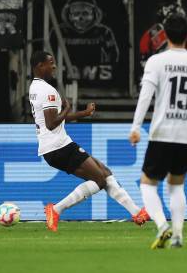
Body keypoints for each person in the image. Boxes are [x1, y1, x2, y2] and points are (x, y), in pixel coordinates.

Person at [29, 51, 149, 231]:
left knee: (104, 172)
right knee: (99, 180)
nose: (54, 66)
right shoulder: (47, 91)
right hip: (58, 146)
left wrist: (83, 114)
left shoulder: (35, 87)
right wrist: (68, 107)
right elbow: (52, 123)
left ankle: (136, 212)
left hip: (55, 146)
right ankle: (55, 209)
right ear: (39, 66)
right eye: (50, 63)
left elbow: (55, 119)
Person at [129, 14, 187, 249]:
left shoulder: (156, 62)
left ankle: (161, 225)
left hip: (162, 133)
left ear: (165, 35)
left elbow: (146, 96)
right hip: (186, 135)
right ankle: (178, 235)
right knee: (176, 186)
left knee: (147, 184)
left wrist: (136, 127)